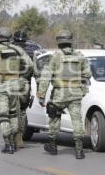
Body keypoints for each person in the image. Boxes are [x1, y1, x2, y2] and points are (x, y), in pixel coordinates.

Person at [37, 30, 91, 159]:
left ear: (59, 42)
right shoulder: (80, 56)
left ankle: (53, 146)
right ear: (70, 41)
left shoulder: (55, 57)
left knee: (54, 118)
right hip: (75, 93)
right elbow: (88, 74)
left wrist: (41, 95)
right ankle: (79, 150)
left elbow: (46, 77)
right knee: (77, 120)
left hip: (59, 93)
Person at [0, 27, 33, 154]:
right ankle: (14, 142)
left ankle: (8, 144)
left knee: (3, 115)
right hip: (15, 85)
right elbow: (30, 65)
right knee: (14, 114)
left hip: (1, 86)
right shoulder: (18, 50)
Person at [12, 30, 34, 149]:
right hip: (25, 85)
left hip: (9, 84)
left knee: (10, 111)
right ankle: (19, 136)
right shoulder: (30, 52)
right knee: (22, 112)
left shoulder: (8, 51)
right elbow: (34, 71)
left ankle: (11, 135)